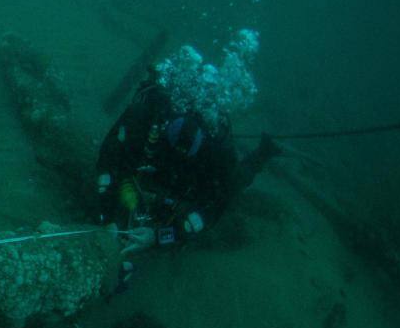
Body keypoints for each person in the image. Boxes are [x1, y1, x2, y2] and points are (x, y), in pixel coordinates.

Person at [96, 76, 281, 254]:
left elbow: (212, 211)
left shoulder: (219, 157)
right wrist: (107, 215)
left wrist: (158, 237)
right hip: (154, 162)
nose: (174, 158)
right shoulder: (145, 117)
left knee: (237, 181)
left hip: (192, 177)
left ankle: (263, 153)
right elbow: (108, 158)